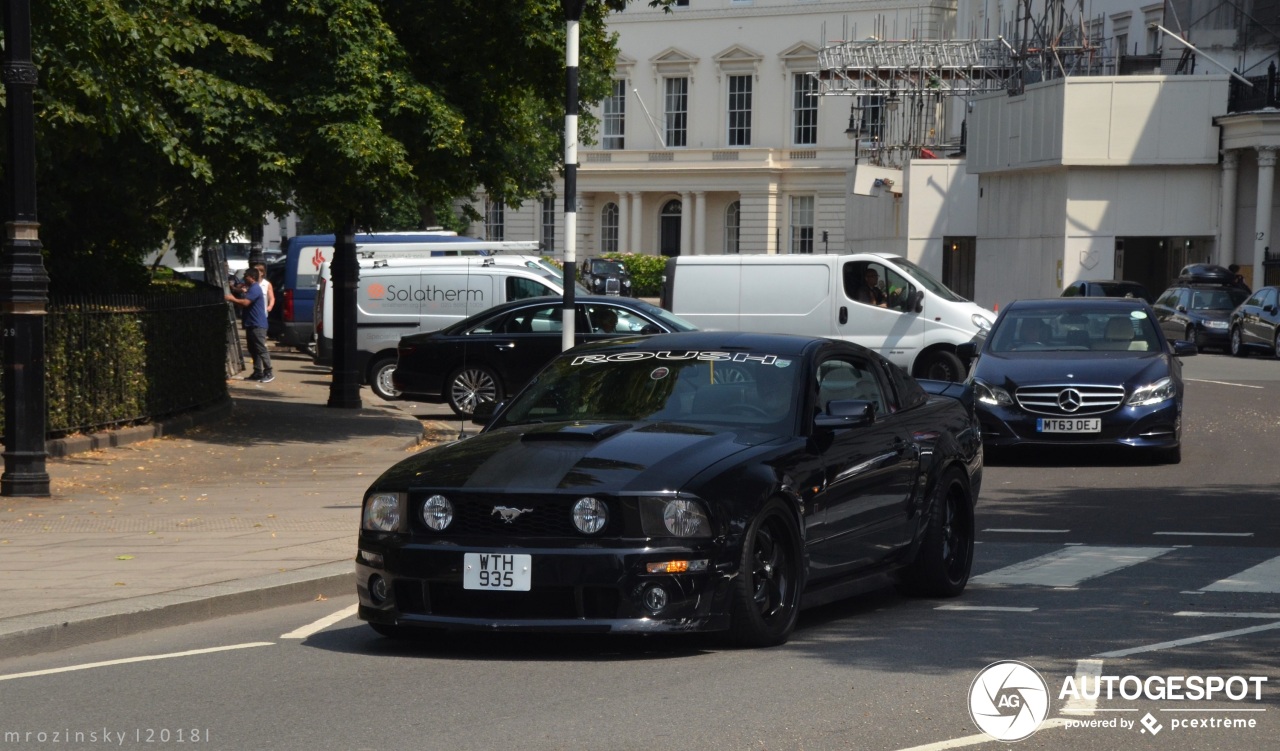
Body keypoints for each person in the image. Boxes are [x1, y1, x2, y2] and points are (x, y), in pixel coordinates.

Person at [225, 267, 274, 382]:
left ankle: (269, 372)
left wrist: (232, 299)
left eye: (246, 276)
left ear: (252, 278)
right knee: (253, 348)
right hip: (251, 323)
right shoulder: (251, 288)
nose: (244, 278)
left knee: (261, 348)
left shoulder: (256, 288)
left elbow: (246, 303)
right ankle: (258, 372)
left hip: (258, 324)